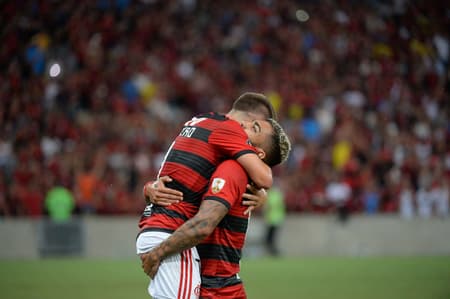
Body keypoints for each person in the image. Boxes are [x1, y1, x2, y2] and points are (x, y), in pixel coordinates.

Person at [136, 92, 279, 298]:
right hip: (171, 231)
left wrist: (148, 188)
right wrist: (263, 189)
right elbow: (265, 177)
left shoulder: (201, 121)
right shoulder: (229, 130)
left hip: (161, 226)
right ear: (250, 119)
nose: (248, 132)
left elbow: (175, 174)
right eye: (256, 125)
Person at [263, 179, 286, 256]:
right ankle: (273, 252)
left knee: (269, 238)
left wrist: (265, 216)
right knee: (272, 238)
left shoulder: (271, 194)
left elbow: (267, 207)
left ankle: (273, 252)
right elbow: (282, 207)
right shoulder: (279, 195)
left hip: (272, 220)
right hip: (277, 219)